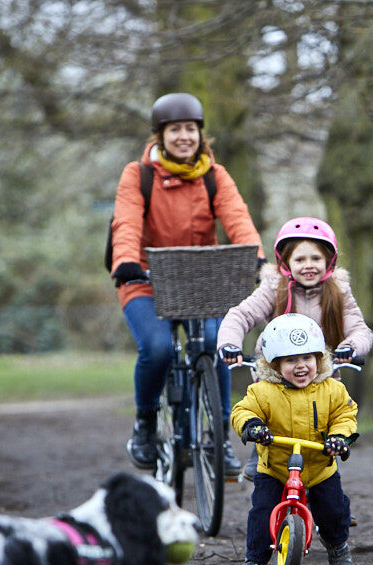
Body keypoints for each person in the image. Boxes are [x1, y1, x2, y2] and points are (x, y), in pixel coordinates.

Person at [109, 92, 264, 475]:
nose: (184, 136)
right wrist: (126, 261)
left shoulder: (214, 175)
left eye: (190, 129)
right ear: (160, 136)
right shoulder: (138, 174)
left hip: (202, 281)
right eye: (175, 129)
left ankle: (219, 438)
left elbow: (238, 219)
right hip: (145, 278)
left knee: (218, 344)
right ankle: (145, 424)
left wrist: (255, 258)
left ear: (200, 134)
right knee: (160, 348)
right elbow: (126, 222)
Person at [217, 216, 373, 480]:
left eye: (316, 259)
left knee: (322, 447)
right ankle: (263, 462)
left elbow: (360, 329)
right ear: (285, 262)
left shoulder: (338, 291)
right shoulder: (273, 287)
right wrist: (229, 344)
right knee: (269, 440)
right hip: (276, 380)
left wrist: (350, 346)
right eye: (300, 260)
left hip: (321, 379)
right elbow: (240, 316)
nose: (308, 266)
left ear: (329, 262)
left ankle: (327, 503)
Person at [230, 314, 359, 565]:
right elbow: (242, 410)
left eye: (307, 358)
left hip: (319, 465)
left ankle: (337, 543)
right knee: (263, 511)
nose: (300, 366)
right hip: (276, 466)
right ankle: (255, 559)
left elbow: (344, 416)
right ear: (274, 364)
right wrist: (253, 426)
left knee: (333, 510)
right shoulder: (263, 391)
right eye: (290, 360)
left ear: (319, 359)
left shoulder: (332, 389)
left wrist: (339, 438)